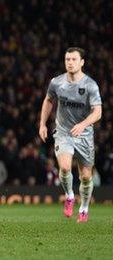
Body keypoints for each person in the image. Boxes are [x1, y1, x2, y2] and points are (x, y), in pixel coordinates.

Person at [39, 47, 102, 223]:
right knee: (65, 167)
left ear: (82, 62)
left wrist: (83, 124)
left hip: (84, 135)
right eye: (67, 59)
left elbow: (98, 112)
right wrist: (42, 124)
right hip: (64, 132)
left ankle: (84, 208)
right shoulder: (57, 82)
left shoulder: (90, 85)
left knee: (86, 177)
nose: (70, 62)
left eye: (74, 59)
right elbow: (48, 100)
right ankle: (69, 196)